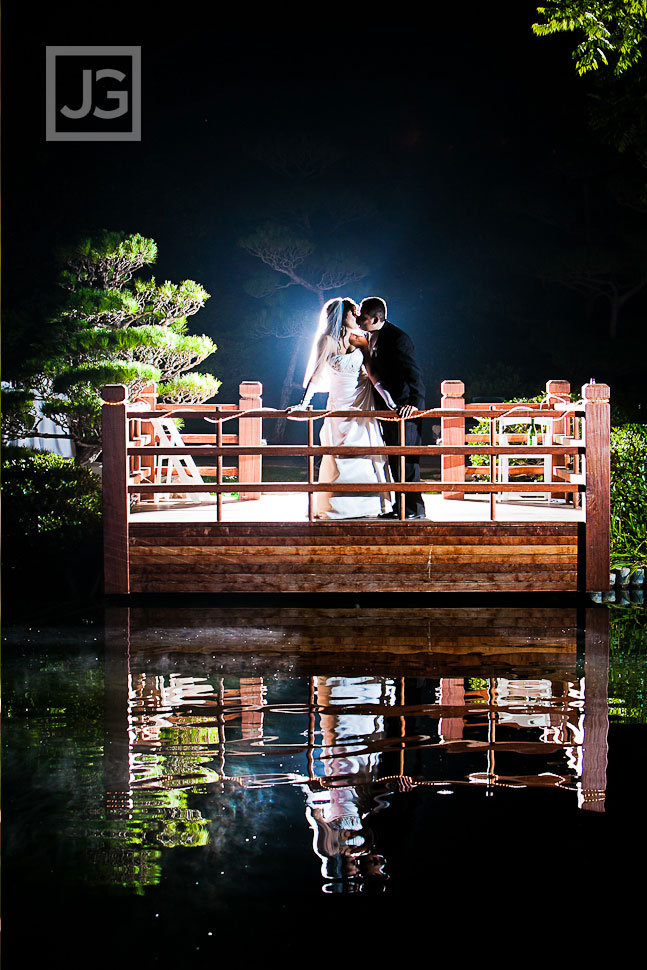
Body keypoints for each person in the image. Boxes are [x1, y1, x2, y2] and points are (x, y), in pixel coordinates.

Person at [293, 297, 395, 519]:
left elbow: (371, 372)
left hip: (360, 398)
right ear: (342, 315)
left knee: (364, 450)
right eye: (353, 312)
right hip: (339, 402)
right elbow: (316, 374)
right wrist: (303, 403)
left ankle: (369, 505)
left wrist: (388, 400)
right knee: (340, 451)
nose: (357, 316)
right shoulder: (327, 341)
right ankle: (337, 506)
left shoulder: (361, 338)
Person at [357, 296, 426, 519]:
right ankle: (400, 507)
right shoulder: (370, 336)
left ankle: (414, 509)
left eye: (364, 318)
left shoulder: (398, 339)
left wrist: (413, 404)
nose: (359, 320)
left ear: (377, 318)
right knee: (395, 459)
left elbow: (414, 374)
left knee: (407, 460)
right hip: (388, 409)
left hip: (405, 407)